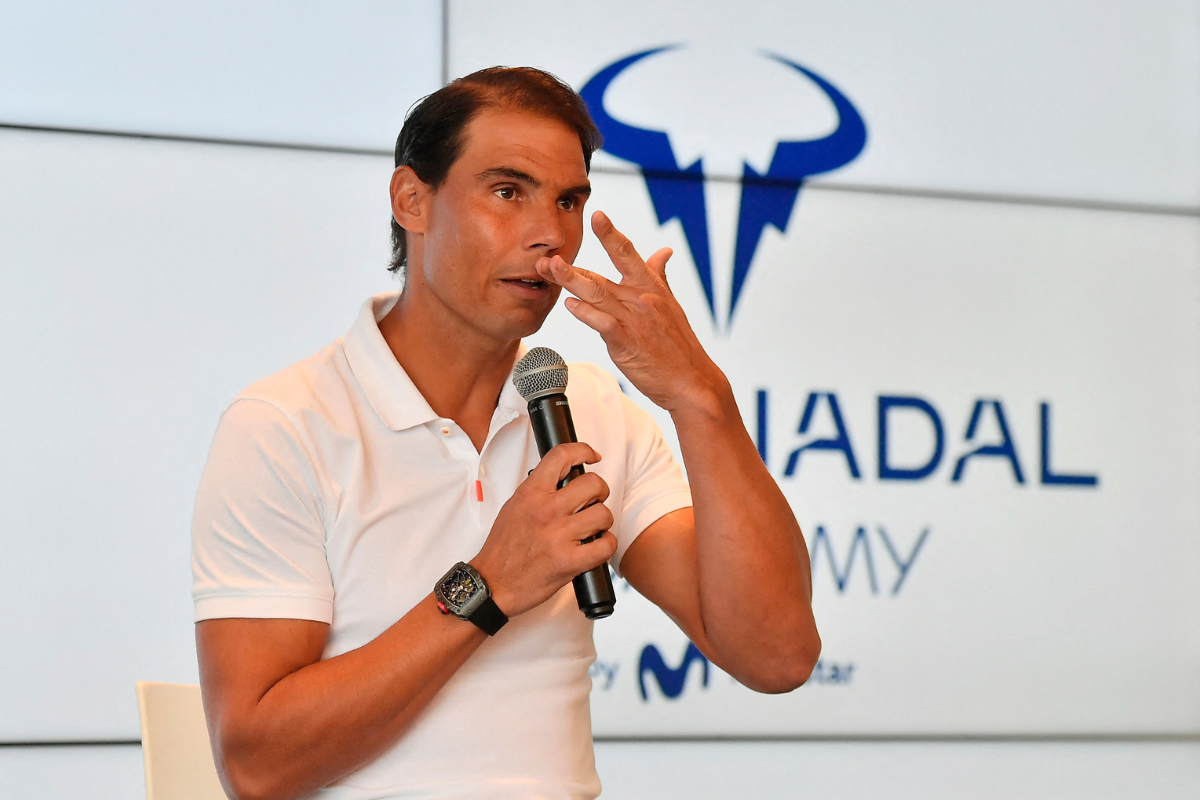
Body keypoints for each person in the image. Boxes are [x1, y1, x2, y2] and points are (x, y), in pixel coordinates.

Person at [191, 66, 819, 800]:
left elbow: (777, 656)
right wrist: (488, 585)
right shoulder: (285, 425)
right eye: (507, 192)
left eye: (569, 201)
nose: (549, 235)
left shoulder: (592, 408)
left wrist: (701, 397)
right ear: (412, 200)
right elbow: (257, 765)